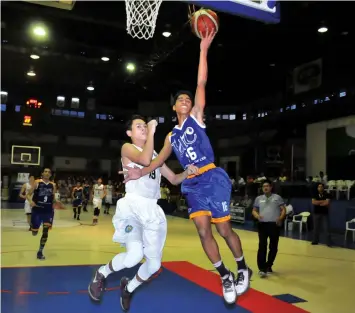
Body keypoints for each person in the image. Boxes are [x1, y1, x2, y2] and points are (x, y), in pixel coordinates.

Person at [120, 31, 251, 304]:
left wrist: (203, 49)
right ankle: (224, 274)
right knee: (203, 230)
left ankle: (242, 268)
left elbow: (201, 80)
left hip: (212, 177)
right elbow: (157, 161)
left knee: (223, 230)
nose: (185, 100)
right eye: (180, 99)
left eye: (188, 99)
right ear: (173, 106)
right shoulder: (171, 136)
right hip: (192, 183)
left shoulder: (196, 118)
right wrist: (139, 172)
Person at [88, 115, 197, 311]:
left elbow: (173, 179)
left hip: (151, 209)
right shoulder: (127, 148)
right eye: (139, 126)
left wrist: (187, 172)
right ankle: (101, 274)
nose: (144, 129)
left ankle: (128, 288)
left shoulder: (155, 155)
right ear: (130, 133)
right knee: (134, 256)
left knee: (154, 265)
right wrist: (153, 131)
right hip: (132, 207)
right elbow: (145, 160)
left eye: (145, 126)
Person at [27, 168, 63, 260]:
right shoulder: (37, 182)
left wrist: (57, 202)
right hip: (37, 210)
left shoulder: (53, 185)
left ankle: (40, 252)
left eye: (49, 172)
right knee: (34, 232)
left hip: (48, 211)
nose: (47, 173)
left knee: (45, 232)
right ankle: (34, 228)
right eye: (45, 171)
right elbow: (28, 194)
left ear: (50, 175)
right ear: (42, 173)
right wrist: (31, 201)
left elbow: (53, 198)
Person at [252, 180, 286, 278]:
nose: (265, 188)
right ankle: (262, 268)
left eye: (267, 186)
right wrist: (257, 216)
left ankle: (269, 265)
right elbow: (254, 210)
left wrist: (280, 218)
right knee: (262, 245)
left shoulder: (277, 198)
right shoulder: (258, 199)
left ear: (271, 187)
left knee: (273, 246)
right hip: (262, 225)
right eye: (263, 186)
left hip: (274, 225)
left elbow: (283, 209)